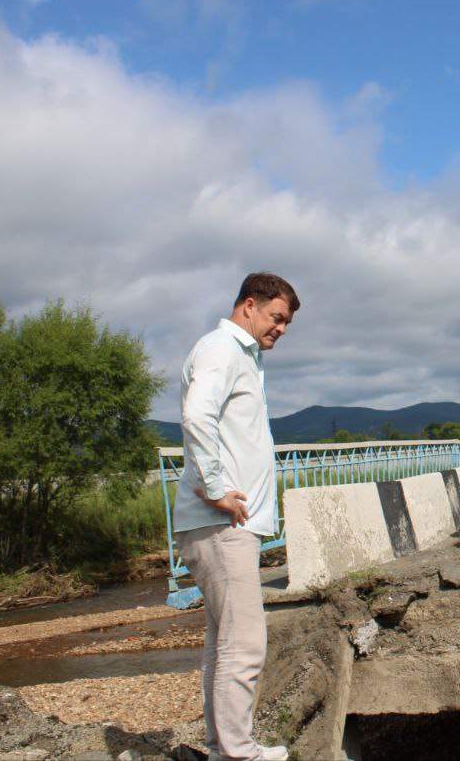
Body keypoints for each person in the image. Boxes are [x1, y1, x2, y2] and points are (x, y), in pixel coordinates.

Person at [174, 272, 300, 761]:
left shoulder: (238, 355)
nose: (282, 330)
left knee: (223, 643)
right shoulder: (221, 349)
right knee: (245, 643)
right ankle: (238, 752)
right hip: (223, 524)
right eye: (277, 318)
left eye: (286, 323)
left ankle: (221, 746)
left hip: (222, 524)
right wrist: (215, 487)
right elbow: (196, 416)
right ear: (250, 304)